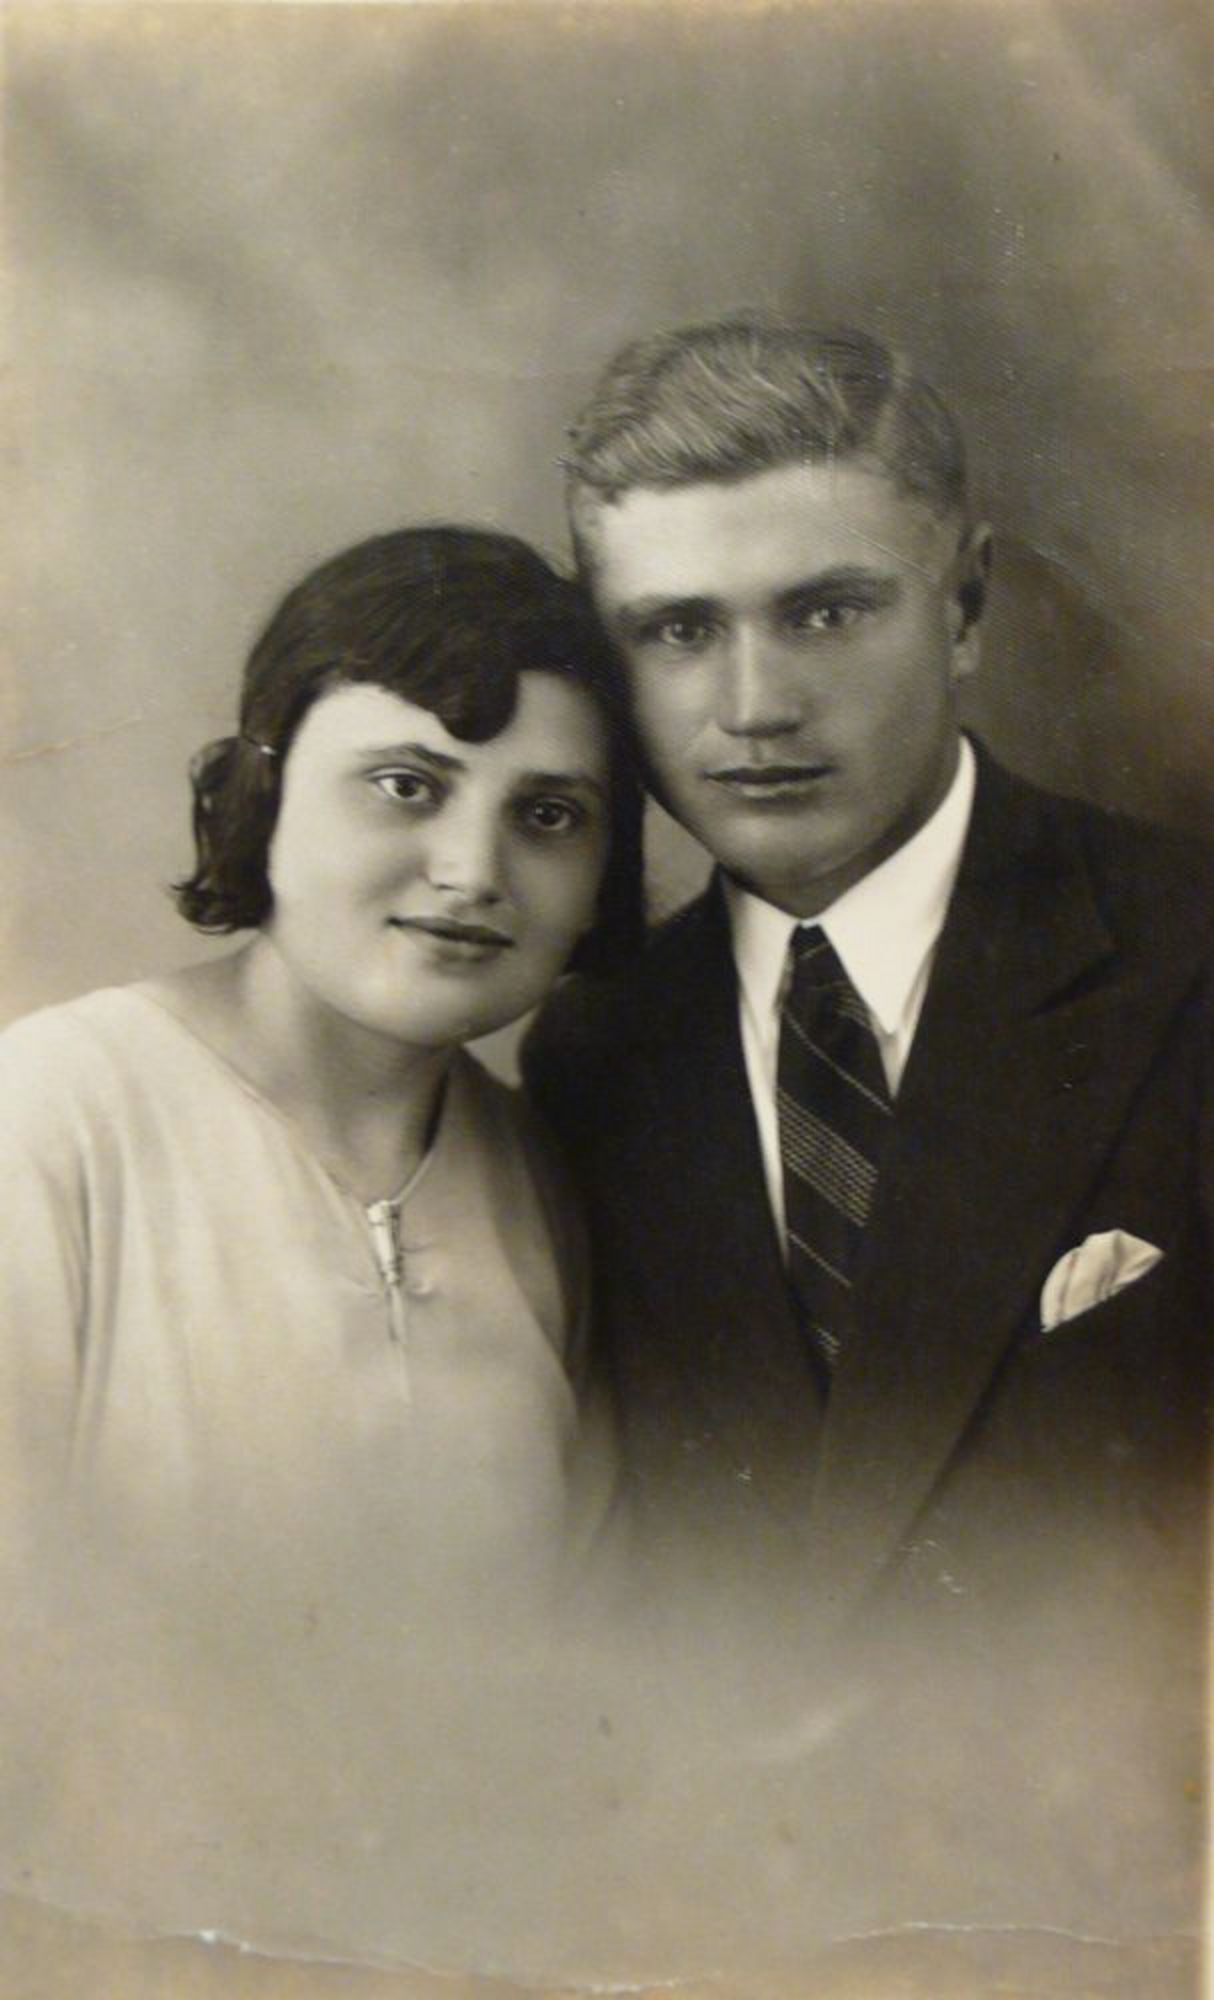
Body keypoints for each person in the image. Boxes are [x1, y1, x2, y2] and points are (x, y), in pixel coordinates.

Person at [522, 315, 1213, 1934]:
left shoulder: (1185, 951)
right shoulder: (592, 1050)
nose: (754, 703)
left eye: (825, 610)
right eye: (674, 630)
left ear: (962, 606)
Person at [0, 524, 644, 1600]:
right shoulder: (50, 1121)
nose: (472, 871)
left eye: (547, 814)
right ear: (263, 793)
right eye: (405, 785)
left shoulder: (542, 1183)